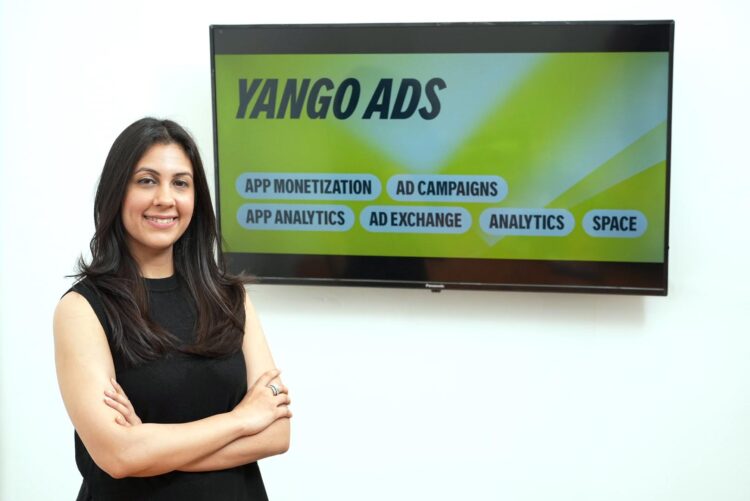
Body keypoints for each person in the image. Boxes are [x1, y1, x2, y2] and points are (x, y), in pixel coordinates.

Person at [53, 117, 291, 500]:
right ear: (117, 191)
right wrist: (242, 419)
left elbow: (277, 432)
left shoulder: (229, 297)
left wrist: (149, 449)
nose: (165, 198)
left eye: (180, 183)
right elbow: (117, 455)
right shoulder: (83, 309)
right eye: (147, 180)